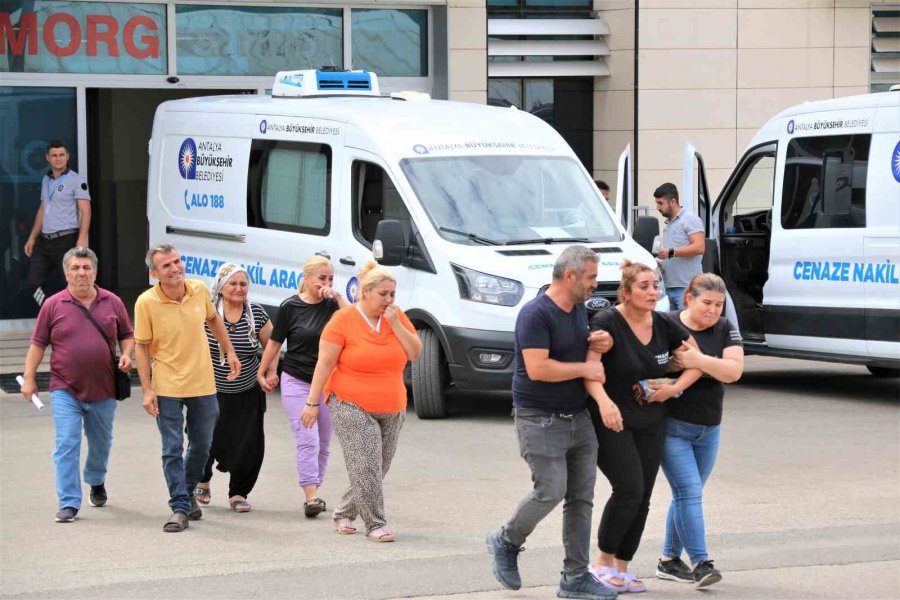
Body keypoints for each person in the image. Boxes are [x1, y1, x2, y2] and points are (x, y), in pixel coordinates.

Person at [486, 245, 618, 600]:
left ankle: (575, 577)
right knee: (551, 490)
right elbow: (538, 368)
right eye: (591, 277)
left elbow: (578, 346)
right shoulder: (535, 313)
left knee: (581, 499)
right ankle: (506, 540)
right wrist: (585, 368)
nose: (595, 284)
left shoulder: (577, 309)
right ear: (571, 276)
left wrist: (598, 340)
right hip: (539, 419)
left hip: (578, 418)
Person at [585, 260, 702, 593]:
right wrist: (604, 403)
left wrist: (674, 388)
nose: (653, 292)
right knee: (629, 488)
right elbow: (591, 370)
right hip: (612, 419)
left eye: (656, 285)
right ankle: (601, 563)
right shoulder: (607, 322)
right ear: (626, 291)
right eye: (644, 286)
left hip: (652, 421)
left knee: (645, 495)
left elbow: (697, 360)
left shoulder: (665, 323)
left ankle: (622, 567)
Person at [302, 260, 421, 542]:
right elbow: (325, 363)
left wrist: (396, 324)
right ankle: (375, 524)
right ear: (365, 292)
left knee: (378, 466)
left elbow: (415, 352)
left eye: (392, 294)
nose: (388, 300)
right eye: (383, 294)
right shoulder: (342, 321)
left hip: (392, 403)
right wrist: (312, 402)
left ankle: (343, 511)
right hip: (348, 401)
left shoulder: (396, 317)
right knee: (366, 463)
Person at [20, 247, 133, 523]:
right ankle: (69, 502)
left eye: (86, 268)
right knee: (67, 442)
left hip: (104, 389)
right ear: (66, 272)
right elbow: (38, 344)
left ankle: (95, 479)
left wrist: (127, 354)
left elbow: (127, 335)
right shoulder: (53, 305)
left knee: (101, 443)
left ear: (94, 271)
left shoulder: (113, 302)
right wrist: (30, 378)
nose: (81, 273)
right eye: (75, 268)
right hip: (65, 389)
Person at [134, 243, 240, 533]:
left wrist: (229, 351)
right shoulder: (146, 302)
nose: (175, 268)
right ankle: (179, 506)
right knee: (172, 448)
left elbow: (214, 319)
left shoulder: (199, 289)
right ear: (154, 273)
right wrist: (146, 389)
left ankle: (189, 489)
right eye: (166, 265)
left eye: (177, 261)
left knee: (202, 445)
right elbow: (141, 348)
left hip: (203, 382)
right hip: (166, 385)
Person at [655, 274, 744, 589]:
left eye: (719, 305)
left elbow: (733, 372)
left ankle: (668, 560)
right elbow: (657, 365)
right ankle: (701, 563)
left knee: (686, 496)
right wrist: (706, 365)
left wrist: (698, 360)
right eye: (707, 302)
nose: (713, 310)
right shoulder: (666, 324)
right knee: (689, 493)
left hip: (710, 429)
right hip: (672, 427)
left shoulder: (724, 328)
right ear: (688, 298)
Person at [257, 255, 348, 517]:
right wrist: (263, 371)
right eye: (321, 278)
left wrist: (338, 297)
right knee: (307, 437)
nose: (326, 283)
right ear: (306, 279)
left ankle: (314, 486)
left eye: (330, 278)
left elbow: (354, 321)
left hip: (328, 383)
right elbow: (275, 342)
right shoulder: (290, 307)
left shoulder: (333, 306)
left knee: (323, 441)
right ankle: (311, 496)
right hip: (297, 379)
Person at [193, 263, 273, 513]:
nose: (239, 289)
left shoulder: (256, 314)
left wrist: (270, 372)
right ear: (221, 286)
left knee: (248, 444)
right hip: (209, 391)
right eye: (233, 283)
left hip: (247, 392)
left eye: (243, 284)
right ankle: (202, 479)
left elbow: (272, 347)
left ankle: (238, 492)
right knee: (204, 439)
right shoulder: (207, 313)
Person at [24, 140, 91, 306]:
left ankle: (75, 320)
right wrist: (32, 237)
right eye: (54, 155)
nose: (58, 158)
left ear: (67, 157)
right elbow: (42, 209)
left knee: (71, 283)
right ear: (48, 158)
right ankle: (52, 312)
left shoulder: (76, 179)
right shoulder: (46, 180)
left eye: (61, 155)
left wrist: (82, 238)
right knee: (33, 282)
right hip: (45, 240)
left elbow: (86, 210)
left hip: (66, 239)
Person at [653, 183, 705, 309]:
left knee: (686, 326)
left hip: (687, 287)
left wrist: (670, 253)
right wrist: (661, 262)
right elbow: (672, 252)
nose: (657, 207)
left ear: (673, 201)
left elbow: (699, 247)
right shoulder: (669, 224)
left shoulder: (689, 219)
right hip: (668, 287)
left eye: (660, 203)